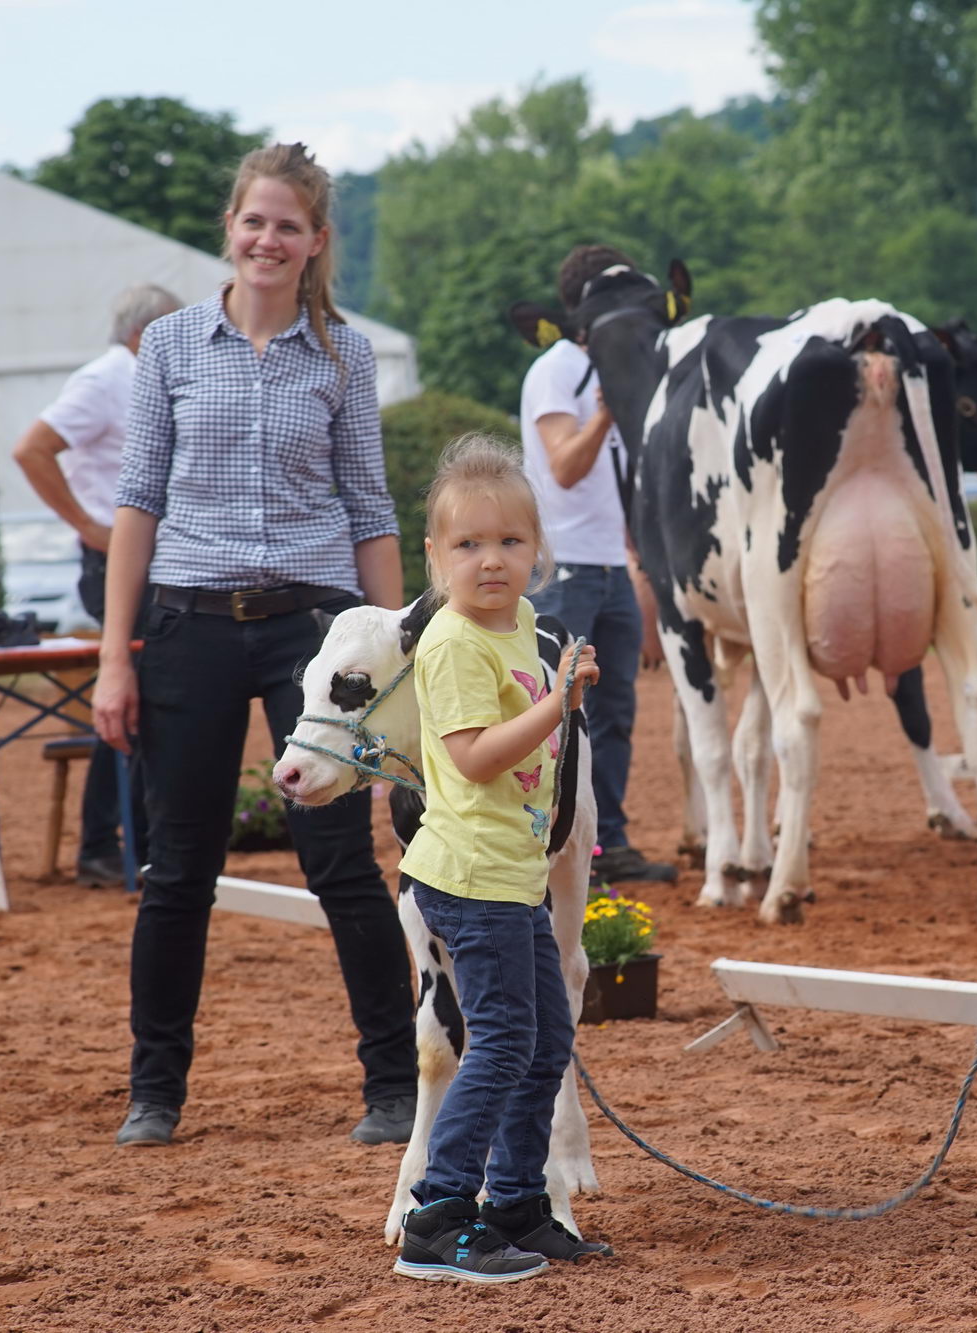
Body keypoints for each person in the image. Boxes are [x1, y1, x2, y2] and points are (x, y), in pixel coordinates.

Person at [93, 144, 416, 1150]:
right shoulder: (174, 348)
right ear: (228, 229)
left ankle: (394, 1085)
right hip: (188, 622)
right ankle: (156, 1091)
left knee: (340, 862)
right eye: (253, 221)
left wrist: (401, 660)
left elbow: (368, 507)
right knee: (178, 867)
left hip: (312, 629)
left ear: (316, 242)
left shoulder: (344, 354)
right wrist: (115, 656)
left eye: (288, 225)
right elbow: (137, 503)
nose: (268, 240)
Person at [390, 435, 611, 1283]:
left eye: (510, 543)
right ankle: (439, 1213)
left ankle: (516, 1202)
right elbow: (478, 755)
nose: (492, 561)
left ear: (538, 550)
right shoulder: (449, 643)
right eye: (468, 545)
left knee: (545, 1035)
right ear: (435, 557)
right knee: (504, 1040)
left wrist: (563, 682)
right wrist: (559, 704)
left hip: (512, 876)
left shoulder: (520, 623)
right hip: (466, 879)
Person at [12, 282, 180, 887]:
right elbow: (32, 449)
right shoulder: (106, 378)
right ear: (145, 334)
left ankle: (132, 839)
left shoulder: (142, 379)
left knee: (151, 704)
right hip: (115, 563)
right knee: (133, 702)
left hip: (151, 562)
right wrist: (87, 525)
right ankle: (103, 843)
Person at [519, 244, 675, 885]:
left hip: (608, 565)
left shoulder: (605, 363)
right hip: (565, 571)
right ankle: (550, 846)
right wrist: (610, 407)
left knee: (615, 716)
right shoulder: (557, 369)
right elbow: (564, 464)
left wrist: (640, 561)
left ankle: (605, 844)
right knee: (555, 713)